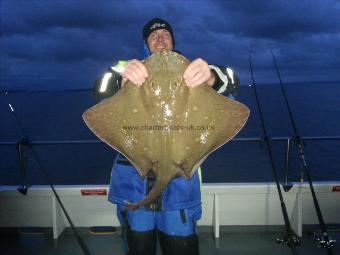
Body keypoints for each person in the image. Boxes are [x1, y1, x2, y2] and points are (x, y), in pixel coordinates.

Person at [93, 18, 239, 255]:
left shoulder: (193, 70)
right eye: (153, 35)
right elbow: (100, 90)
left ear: (173, 41)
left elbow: (231, 82)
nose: (160, 39)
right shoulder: (127, 68)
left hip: (179, 188)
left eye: (165, 34)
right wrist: (122, 80)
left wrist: (211, 75)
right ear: (145, 43)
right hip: (135, 187)